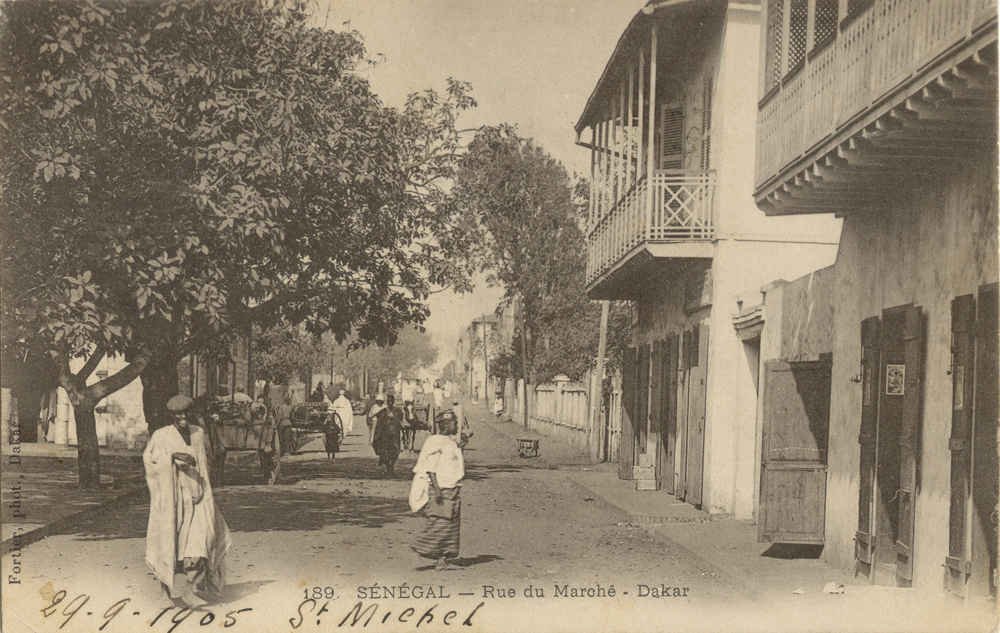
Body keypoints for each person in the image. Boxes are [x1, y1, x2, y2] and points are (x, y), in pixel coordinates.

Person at [144, 395, 232, 607]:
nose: (183, 417)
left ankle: (189, 589)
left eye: (186, 412)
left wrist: (202, 489)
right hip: (171, 498)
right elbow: (151, 463)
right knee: (167, 541)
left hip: (199, 496)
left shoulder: (198, 433)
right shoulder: (161, 436)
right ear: (171, 415)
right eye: (178, 414)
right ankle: (164, 593)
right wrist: (172, 457)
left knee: (205, 538)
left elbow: (205, 463)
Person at [409, 410, 464, 571]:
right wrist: (437, 490)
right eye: (454, 423)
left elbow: (454, 462)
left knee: (451, 526)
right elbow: (430, 468)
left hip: (453, 488)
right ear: (446, 425)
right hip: (441, 489)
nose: (456, 426)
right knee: (439, 524)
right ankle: (419, 545)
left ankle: (443, 560)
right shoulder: (434, 441)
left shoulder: (450, 441)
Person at [372, 395, 403, 475]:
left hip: (395, 435)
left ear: (393, 402)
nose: (390, 403)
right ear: (387, 402)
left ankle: (391, 464)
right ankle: (388, 466)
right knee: (385, 452)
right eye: (388, 402)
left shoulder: (397, 411)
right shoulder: (383, 411)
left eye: (391, 402)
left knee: (396, 452)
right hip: (385, 435)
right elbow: (374, 417)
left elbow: (402, 420)